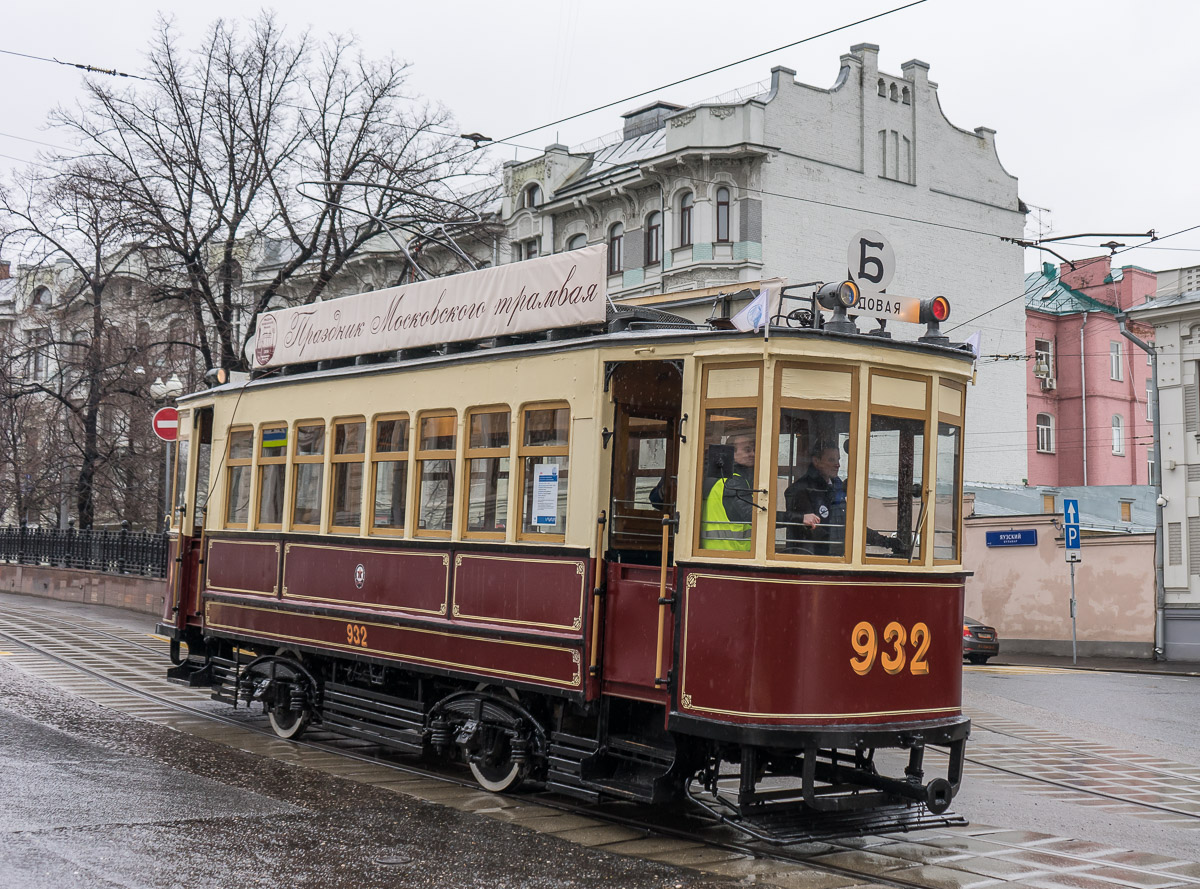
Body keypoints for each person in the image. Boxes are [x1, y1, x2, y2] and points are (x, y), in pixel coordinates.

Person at [784, 440, 904, 556]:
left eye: (838, 459)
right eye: (831, 460)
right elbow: (812, 531)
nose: (838, 465)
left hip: (837, 556)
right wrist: (841, 544)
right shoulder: (802, 490)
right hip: (814, 561)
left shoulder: (836, 486)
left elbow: (849, 524)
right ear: (816, 461)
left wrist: (885, 542)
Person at [700, 429, 756, 550]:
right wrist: (798, 518)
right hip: (732, 554)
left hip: (713, 552)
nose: (753, 454)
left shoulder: (715, 478)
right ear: (732, 453)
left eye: (754, 450)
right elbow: (753, 515)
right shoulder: (732, 482)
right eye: (747, 450)